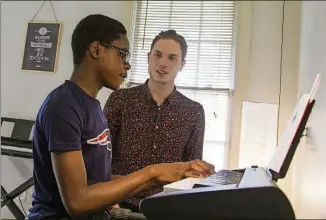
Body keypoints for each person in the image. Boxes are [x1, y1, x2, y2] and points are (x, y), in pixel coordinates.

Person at [28, 14, 214, 220]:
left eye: (172, 58)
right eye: (122, 55)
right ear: (96, 50)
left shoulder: (92, 107)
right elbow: (78, 202)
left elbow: (98, 179)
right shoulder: (64, 105)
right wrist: (152, 173)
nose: (127, 65)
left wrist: (165, 175)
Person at [103, 30, 206, 212]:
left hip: (168, 206)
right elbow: (100, 157)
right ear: (148, 57)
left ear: (182, 64)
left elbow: (192, 169)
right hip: (118, 204)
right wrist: (108, 201)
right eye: (157, 55)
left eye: (172, 58)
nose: (163, 63)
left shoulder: (194, 112)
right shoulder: (120, 100)